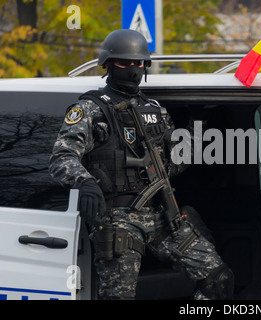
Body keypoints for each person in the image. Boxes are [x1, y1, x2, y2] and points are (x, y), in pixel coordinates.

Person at [49, 29, 233, 300]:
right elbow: (61, 158)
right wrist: (84, 182)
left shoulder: (155, 109)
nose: (134, 70)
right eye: (126, 63)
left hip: (161, 215)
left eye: (139, 63)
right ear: (108, 64)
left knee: (219, 280)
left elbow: (172, 163)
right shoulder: (90, 110)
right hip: (118, 219)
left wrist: (198, 126)